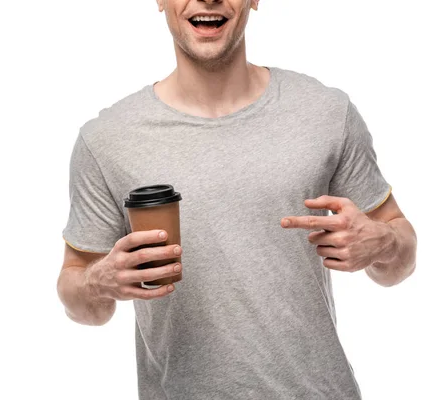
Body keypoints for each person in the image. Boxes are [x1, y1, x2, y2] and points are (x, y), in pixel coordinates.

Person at [57, 0, 418, 398]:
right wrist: (98, 281)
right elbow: (80, 301)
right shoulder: (106, 140)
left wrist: (383, 242)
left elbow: (399, 260)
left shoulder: (327, 112)